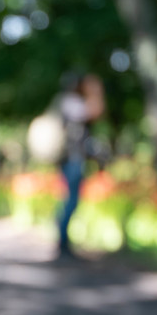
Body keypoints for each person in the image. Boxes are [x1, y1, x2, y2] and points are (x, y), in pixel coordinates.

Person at [56, 72, 106, 259]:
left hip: (74, 159)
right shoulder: (71, 102)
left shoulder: (70, 102)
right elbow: (95, 111)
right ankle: (62, 242)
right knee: (70, 200)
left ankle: (63, 241)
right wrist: (96, 92)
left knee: (71, 199)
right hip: (72, 159)